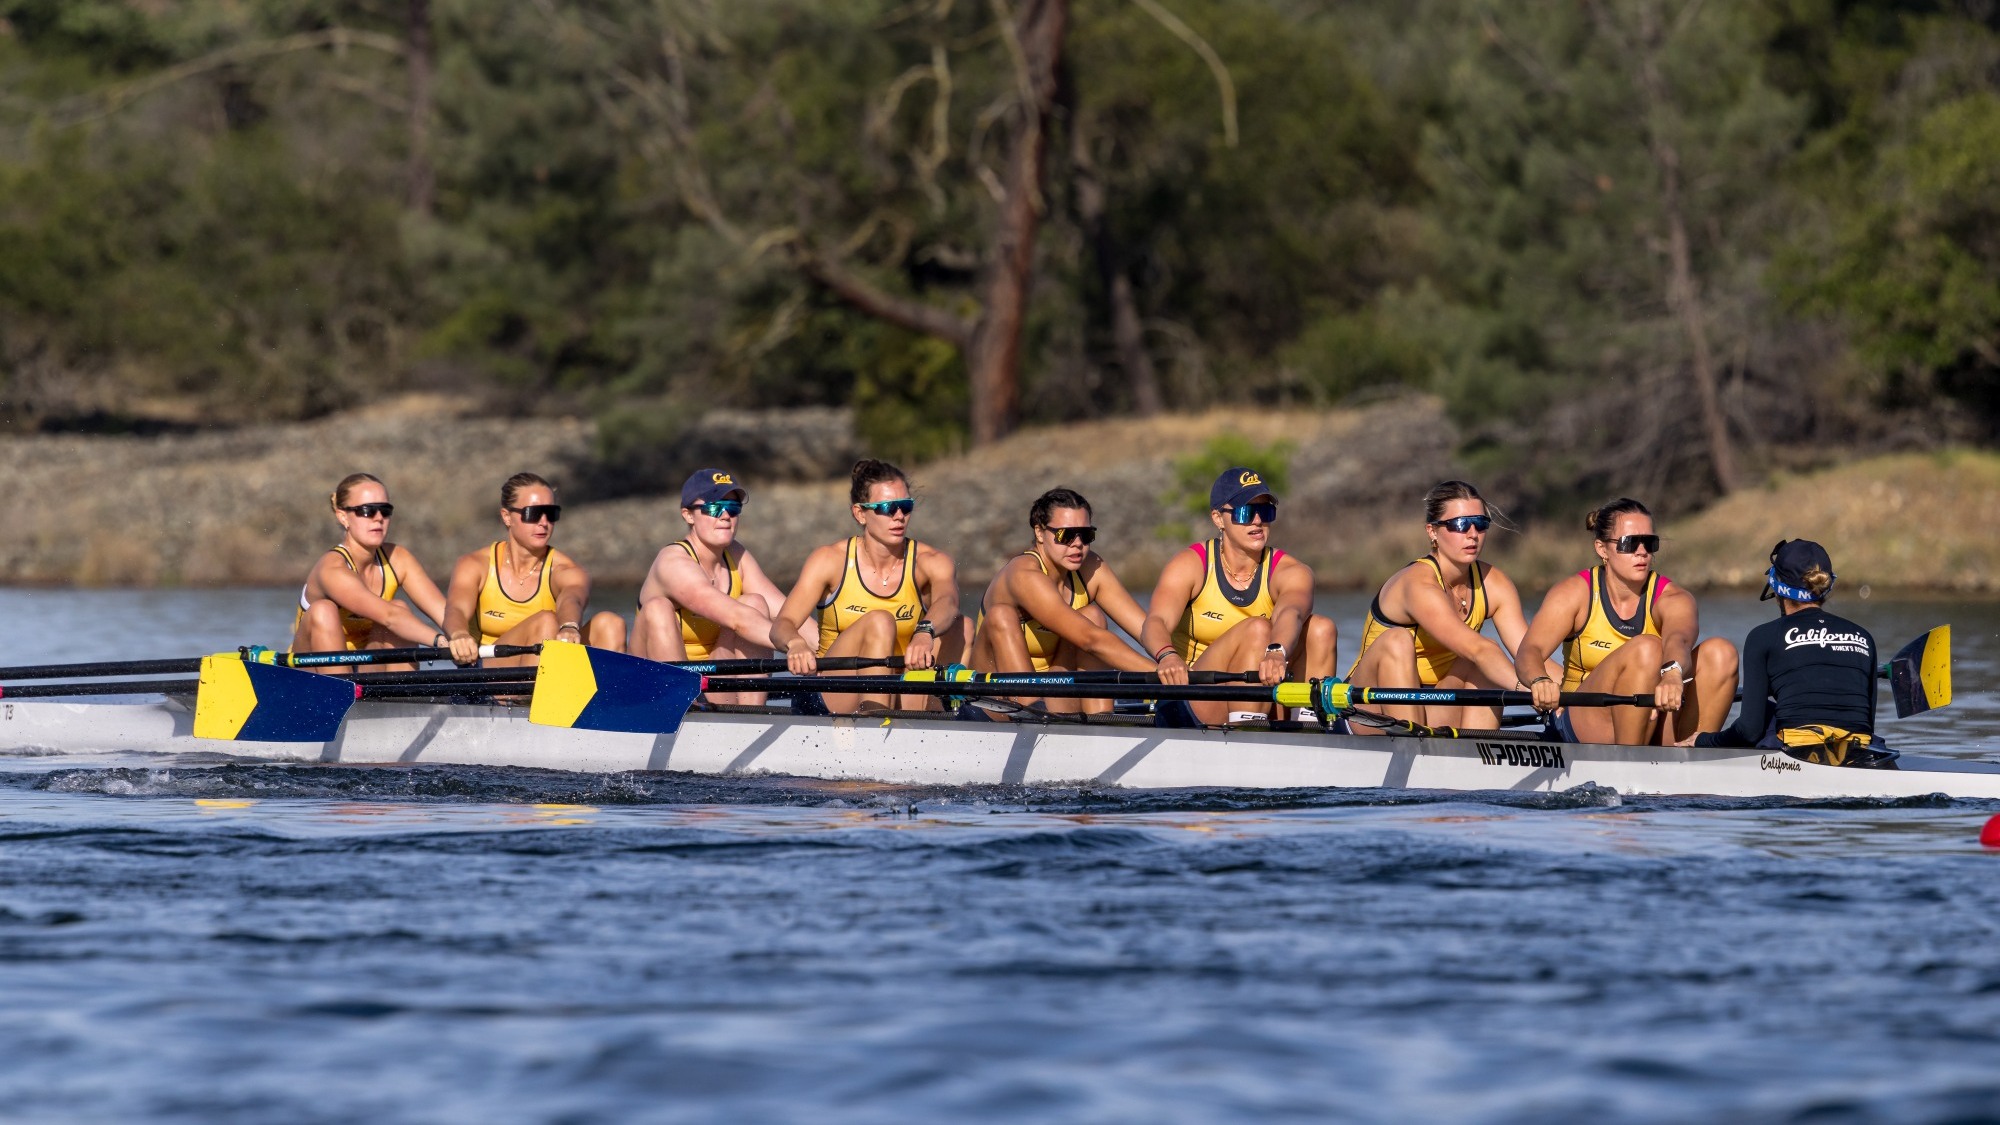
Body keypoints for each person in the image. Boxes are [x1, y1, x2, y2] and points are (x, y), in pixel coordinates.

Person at [1513, 498, 1738, 745]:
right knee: (1647, 648)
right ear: (1602, 549)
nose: (1642, 551)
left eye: (1650, 543)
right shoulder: (1573, 593)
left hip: (1652, 716)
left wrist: (1673, 674)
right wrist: (1539, 680)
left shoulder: (1674, 598)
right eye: (1630, 543)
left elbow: (1679, 639)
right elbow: (1529, 651)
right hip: (1583, 718)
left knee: (1721, 652)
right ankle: (1630, 766)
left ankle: (1694, 758)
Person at [1139, 466, 1338, 728]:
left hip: (1261, 694)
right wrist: (1167, 656)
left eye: (1265, 512)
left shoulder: (1292, 571)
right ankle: (1249, 733)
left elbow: (1292, 612)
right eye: (1245, 512)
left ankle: (1313, 729)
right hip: (1190, 698)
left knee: (1321, 629)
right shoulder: (1191, 564)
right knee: (1257, 628)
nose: (1257, 521)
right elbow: (1155, 623)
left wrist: (1277, 652)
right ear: (1218, 518)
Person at [772, 459, 967, 713]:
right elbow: (781, 625)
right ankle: (876, 722)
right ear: (860, 513)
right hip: (829, 694)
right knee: (880, 621)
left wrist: (924, 632)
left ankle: (939, 720)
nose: (899, 516)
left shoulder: (932, 562)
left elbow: (948, 603)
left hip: (897, 689)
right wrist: (796, 644)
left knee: (961, 625)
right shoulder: (829, 560)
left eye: (906, 507)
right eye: (887, 508)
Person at [1682, 540, 1890, 766]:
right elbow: (1865, 723)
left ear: (1777, 585)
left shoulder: (1762, 637)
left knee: (1760, 714)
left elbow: (1748, 731)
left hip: (1798, 755)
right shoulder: (1863, 637)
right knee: (1769, 709)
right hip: (1861, 752)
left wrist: (1705, 741)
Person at [1344, 481, 1532, 731]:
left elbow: (1531, 654)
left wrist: (1561, 689)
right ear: (1432, 531)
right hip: (1369, 709)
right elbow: (1477, 649)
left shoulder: (1494, 583)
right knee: (1398, 641)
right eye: (1460, 525)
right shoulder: (1418, 584)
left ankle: (1478, 757)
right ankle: (1412, 746)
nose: (1472, 534)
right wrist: (1530, 691)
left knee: (1488, 662)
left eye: (1481, 523)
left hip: (1434, 702)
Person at [968, 487, 1156, 716]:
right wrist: (1160, 674)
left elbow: (1146, 629)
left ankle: (1103, 725)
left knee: (1092, 616)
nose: (1077, 544)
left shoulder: (1092, 568)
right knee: (1002, 615)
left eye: (1085, 535)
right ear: (1039, 533)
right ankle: (1032, 717)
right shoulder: (1024, 574)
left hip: (1053, 695)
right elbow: (1091, 640)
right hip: (995, 701)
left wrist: (1173, 661)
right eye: (1066, 535)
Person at [631, 468, 789, 705]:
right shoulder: (673, 562)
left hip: (711, 681)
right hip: (654, 685)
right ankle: (682, 706)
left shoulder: (737, 555)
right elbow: (738, 619)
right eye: (714, 507)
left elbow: (788, 614)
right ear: (688, 515)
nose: (726, 516)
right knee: (658, 608)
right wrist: (793, 644)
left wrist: (826, 650)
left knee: (754, 602)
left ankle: (752, 716)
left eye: (733, 508)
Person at [443, 472, 626, 668]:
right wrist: (459, 634)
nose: (544, 522)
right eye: (534, 513)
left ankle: (608, 694)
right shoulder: (474, 564)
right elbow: (456, 609)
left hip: (549, 672)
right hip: (486, 673)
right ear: (507, 517)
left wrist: (569, 625)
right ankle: (530, 696)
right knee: (546, 621)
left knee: (610, 623)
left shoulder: (567, 570)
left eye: (551, 513)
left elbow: (572, 598)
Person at [290, 472, 451, 671]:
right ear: (343, 517)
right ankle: (340, 694)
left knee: (399, 606)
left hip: (366, 668)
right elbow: (389, 617)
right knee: (324, 610)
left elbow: (446, 614)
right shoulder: (332, 568)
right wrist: (442, 642)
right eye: (367, 511)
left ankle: (406, 696)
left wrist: (462, 636)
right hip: (312, 671)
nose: (378, 518)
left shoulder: (398, 558)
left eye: (385, 510)